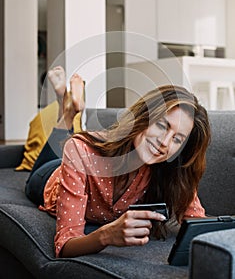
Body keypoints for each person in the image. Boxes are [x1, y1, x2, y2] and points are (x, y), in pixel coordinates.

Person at [25, 66, 211, 258]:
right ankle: (69, 113)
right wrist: (106, 235)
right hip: (50, 178)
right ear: (143, 117)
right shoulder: (81, 150)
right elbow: (64, 246)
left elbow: (198, 224)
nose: (165, 143)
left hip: (76, 164)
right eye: (162, 126)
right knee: (44, 163)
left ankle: (68, 110)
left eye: (177, 139)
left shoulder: (172, 169)